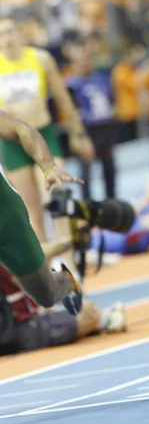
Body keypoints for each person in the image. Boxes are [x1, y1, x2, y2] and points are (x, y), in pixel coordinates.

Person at [0, 16, 95, 276]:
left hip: (43, 136)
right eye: (1, 34)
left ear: (19, 33)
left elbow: (64, 99)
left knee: (57, 198)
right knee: (31, 211)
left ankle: (69, 263)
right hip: (12, 144)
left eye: (9, 31)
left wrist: (78, 134)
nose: (6, 38)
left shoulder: (40, 59)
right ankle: (46, 267)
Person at [0, 110, 83, 315]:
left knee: (46, 295)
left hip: (5, 216)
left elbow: (21, 130)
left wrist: (48, 168)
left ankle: (64, 280)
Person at [66, 43, 117, 199]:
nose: (84, 63)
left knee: (109, 168)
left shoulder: (102, 79)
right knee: (86, 172)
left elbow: (111, 101)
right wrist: (76, 135)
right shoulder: (71, 85)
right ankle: (88, 206)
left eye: (86, 59)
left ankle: (112, 202)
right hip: (87, 129)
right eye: (80, 60)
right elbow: (69, 113)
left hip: (105, 127)